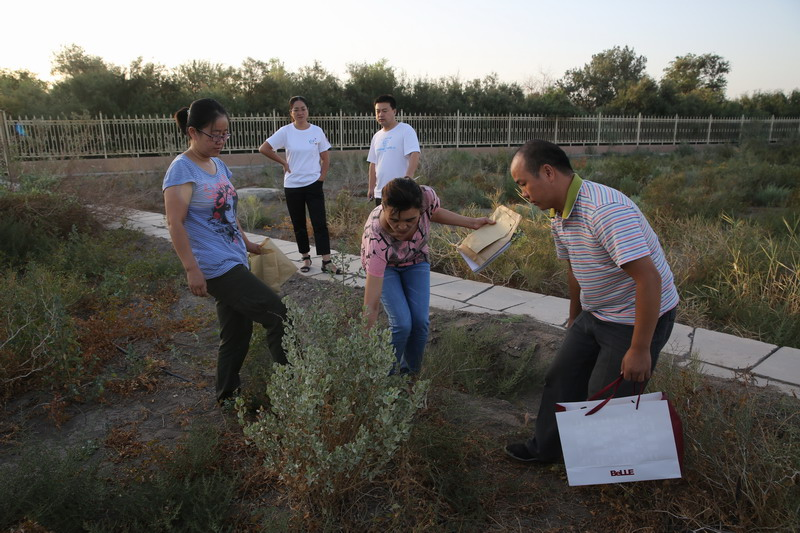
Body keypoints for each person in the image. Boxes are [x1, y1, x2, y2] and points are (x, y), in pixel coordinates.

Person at [504, 140, 679, 463]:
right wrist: (575, 319)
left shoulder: (605, 211)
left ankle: (604, 469)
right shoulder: (559, 213)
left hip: (633, 317)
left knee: (606, 396)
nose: (524, 193)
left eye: (524, 183)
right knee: (561, 377)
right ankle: (546, 451)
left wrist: (640, 349)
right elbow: (575, 270)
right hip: (596, 313)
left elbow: (649, 280)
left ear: (548, 172)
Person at [163, 98, 288, 404]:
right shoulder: (182, 170)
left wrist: (246, 243)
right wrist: (192, 269)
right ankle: (294, 387)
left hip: (234, 257)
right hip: (214, 266)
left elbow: (228, 212)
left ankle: (227, 397)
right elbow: (174, 223)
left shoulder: (218, 165)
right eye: (213, 134)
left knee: (236, 334)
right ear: (193, 132)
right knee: (278, 315)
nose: (220, 140)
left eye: (224, 134)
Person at [361, 177, 494, 374]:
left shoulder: (426, 197)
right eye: (394, 219)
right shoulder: (376, 239)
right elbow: (371, 305)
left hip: (416, 259)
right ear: (383, 206)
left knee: (420, 322)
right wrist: (363, 347)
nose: (402, 226)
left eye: (410, 220)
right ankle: (383, 378)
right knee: (402, 324)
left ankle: (410, 378)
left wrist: (472, 223)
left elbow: (434, 212)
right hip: (386, 266)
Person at [259, 96, 342, 274]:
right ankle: (305, 258)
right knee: (299, 224)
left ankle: (326, 261)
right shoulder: (285, 131)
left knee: (320, 223)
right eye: (296, 109)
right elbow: (264, 148)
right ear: (291, 113)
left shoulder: (316, 131)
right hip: (293, 185)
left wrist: (321, 177)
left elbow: (325, 157)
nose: (300, 112)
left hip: (313, 184)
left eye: (303, 108)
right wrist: (283, 162)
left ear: (307, 111)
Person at [367, 95, 421, 207]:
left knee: (399, 224)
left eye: (384, 111)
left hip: (400, 192)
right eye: (378, 111)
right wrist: (371, 188)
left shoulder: (405, 130)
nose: (381, 114)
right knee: (381, 224)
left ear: (394, 111)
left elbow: (414, 154)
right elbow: (373, 164)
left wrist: (408, 180)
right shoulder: (377, 136)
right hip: (380, 193)